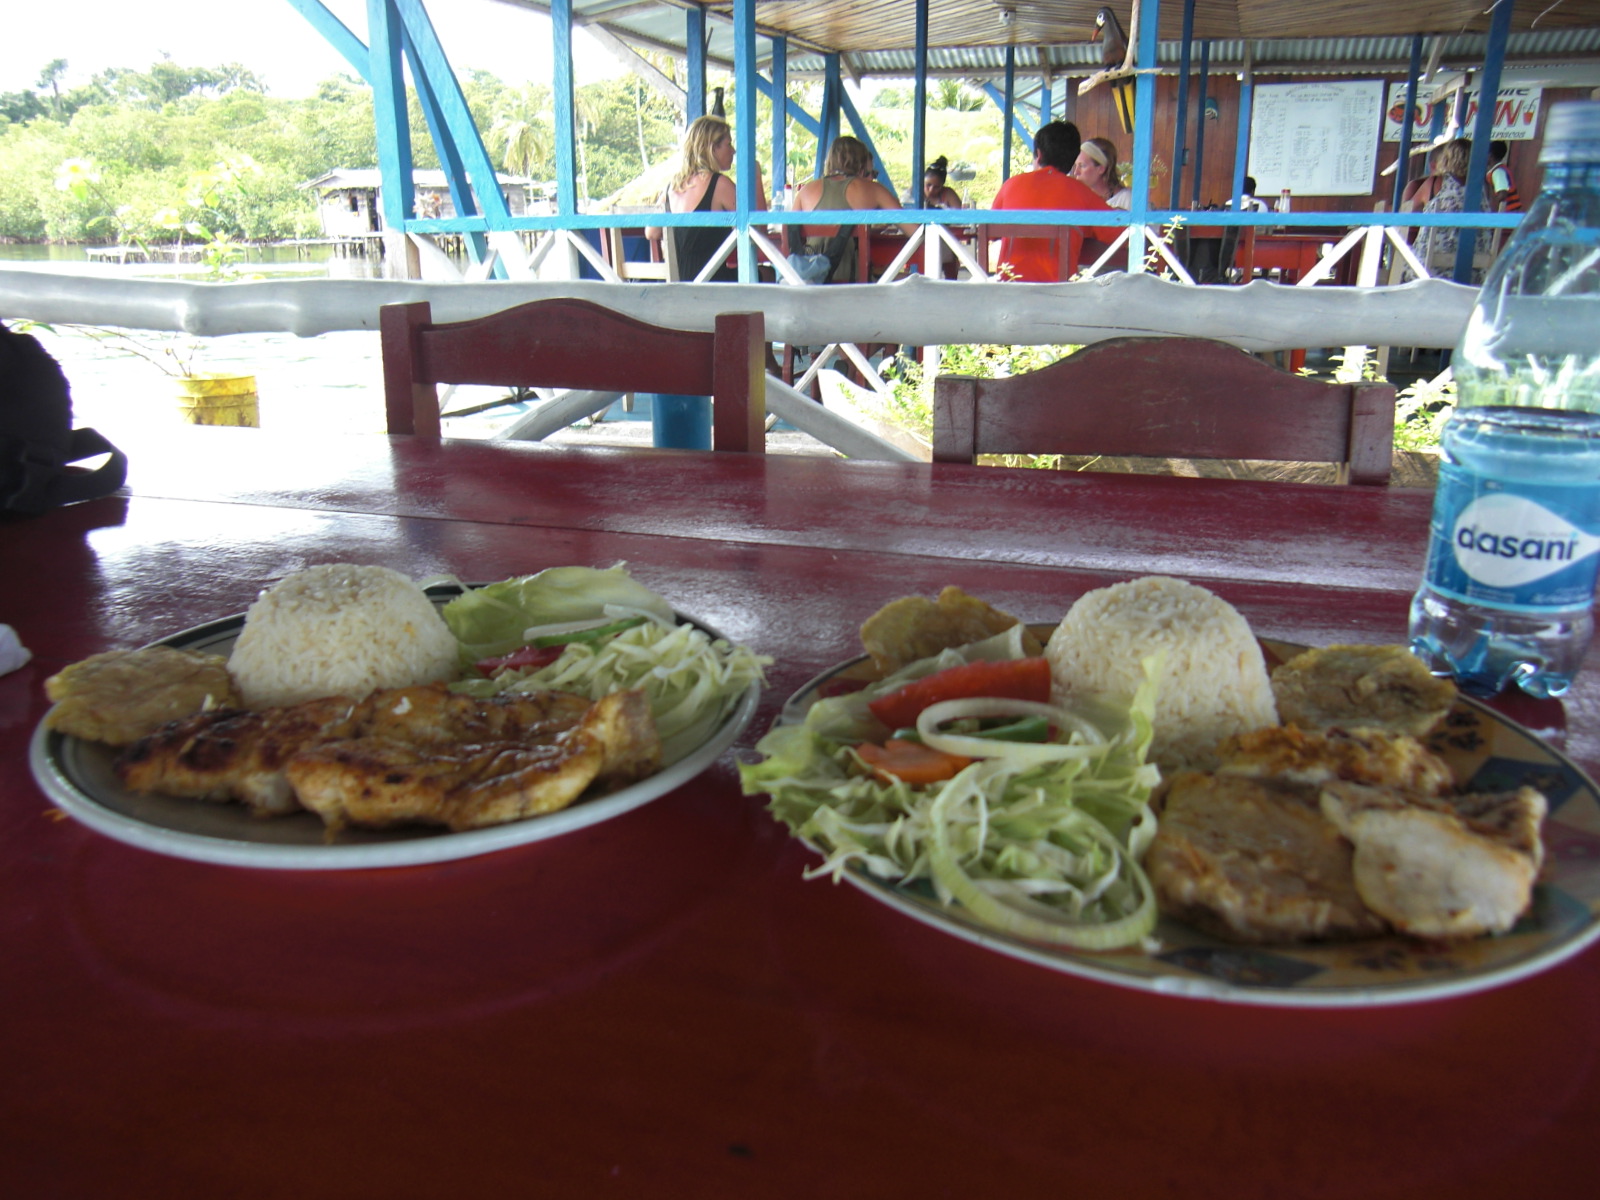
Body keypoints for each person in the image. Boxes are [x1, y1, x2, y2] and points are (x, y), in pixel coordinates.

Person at [648, 114, 766, 282]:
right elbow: (758, 230)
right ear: (712, 148)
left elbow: (651, 232)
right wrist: (756, 178)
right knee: (768, 274)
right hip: (709, 282)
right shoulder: (719, 184)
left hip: (673, 281)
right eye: (728, 144)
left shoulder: (673, 186)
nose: (733, 151)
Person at [988, 120, 1109, 282]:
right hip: (1058, 292)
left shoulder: (1011, 185)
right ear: (1073, 159)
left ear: (1038, 154)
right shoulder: (1082, 193)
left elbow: (991, 233)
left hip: (1009, 285)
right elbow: (1123, 234)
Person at [791, 135, 911, 283]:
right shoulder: (873, 189)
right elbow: (914, 230)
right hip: (854, 282)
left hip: (809, 280)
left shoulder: (805, 191)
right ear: (862, 163)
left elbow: (791, 235)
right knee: (906, 279)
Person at [1405, 137, 1472, 276]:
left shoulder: (1436, 182)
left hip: (1431, 265)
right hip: (1474, 265)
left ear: (1446, 158)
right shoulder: (1482, 186)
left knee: (1402, 260)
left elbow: (1406, 213)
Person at [1071, 137, 1131, 210]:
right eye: (1076, 165)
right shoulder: (1076, 199)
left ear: (1101, 169)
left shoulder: (1127, 200)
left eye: (1082, 166)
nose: (1076, 172)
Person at [1485, 141, 1522, 213]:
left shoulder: (1498, 172)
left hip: (1508, 211)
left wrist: (1498, 212)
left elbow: (1502, 195)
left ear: (1490, 156)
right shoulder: (1498, 169)